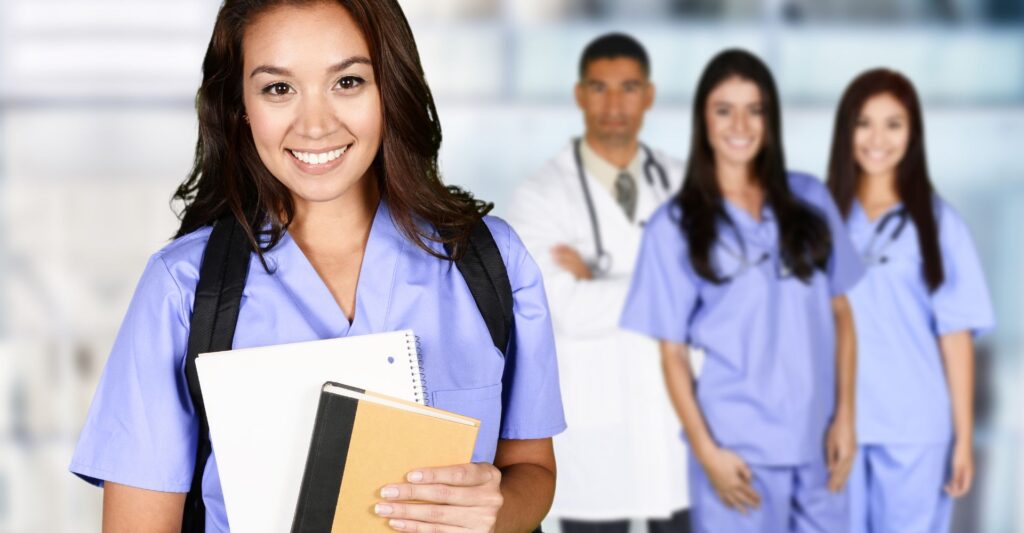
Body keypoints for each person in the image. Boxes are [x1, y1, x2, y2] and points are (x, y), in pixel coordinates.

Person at [67, 1, 566, 531]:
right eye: (278, 89)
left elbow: (531, 468)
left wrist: (497, 511)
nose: (316, 125)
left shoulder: (490, 261)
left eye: (347, 82)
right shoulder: (183, 289)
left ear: (390, 89)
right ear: (240, 105)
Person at [619, 49, 864, 532]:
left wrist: (847, 419)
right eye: (724, 109)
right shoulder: (675, 226)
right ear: (703, 120)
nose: (740, 125)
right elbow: (672, 355)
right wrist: (708, 452)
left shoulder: (811, 200)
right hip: (737, 453)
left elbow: (842, 314)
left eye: (755, 110)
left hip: (820, 446)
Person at [507, 33, 690, 533]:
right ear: (580, 94)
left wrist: (600, 279)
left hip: (680, 430)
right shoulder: (540, 196)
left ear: (648, 95)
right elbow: (564, 307)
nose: (614, 104)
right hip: (596, 433)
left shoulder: (686, 185)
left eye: (628, 87)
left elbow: (709, 292)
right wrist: (664, 284)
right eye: (599, 87)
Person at [825, 68, 995, 533]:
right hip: (835, 427)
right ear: (846, 131)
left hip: (914, 429)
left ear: (913, 134)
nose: (877, 138)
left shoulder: (940, 225)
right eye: (864, 123)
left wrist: (963, 439)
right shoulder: (818, 220)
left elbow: (956, 338)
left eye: (893, 124)